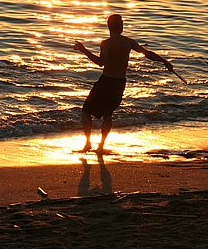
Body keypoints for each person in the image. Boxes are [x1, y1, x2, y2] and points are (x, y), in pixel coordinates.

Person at [74, 13, 173, 154]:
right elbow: (147, 53)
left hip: (106, 81)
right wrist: (164, 61)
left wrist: (84, 50)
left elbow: (100, 63)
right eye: (122, 24)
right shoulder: (128, 42)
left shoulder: (106, 43)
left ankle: (88, 143)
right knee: (108, 114)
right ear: (120, 27)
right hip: (119, 83)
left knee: (86, 111)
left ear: (109, 27)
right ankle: (101, 146)